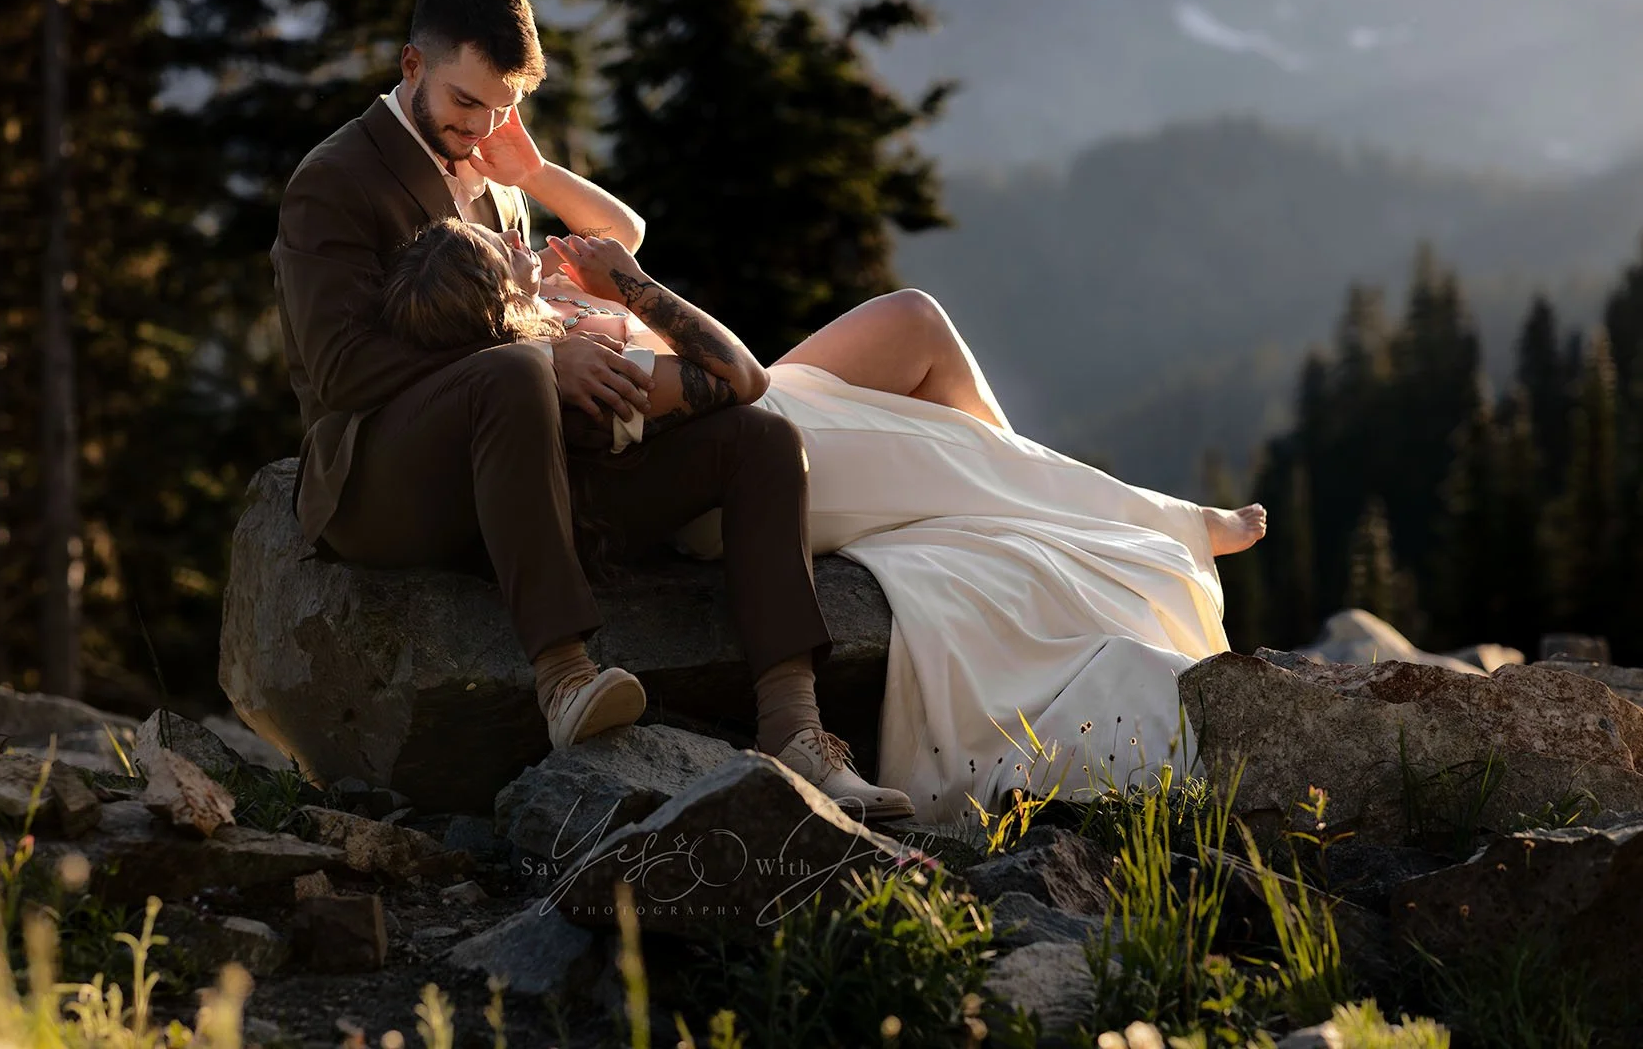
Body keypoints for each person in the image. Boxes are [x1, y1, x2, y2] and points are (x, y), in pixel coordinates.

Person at [271, 0, 916, 819]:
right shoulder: (334, 178)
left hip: (526, 468)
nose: (484, 126)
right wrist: (540, 357)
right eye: (468, 103)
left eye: (505, 107)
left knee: (760, 441)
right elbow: (340, 367)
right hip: (389, 482)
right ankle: (565, 676)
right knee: (512, 369)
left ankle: (795, 731)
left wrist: (572, 354)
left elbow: (603, 254)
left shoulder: (496, 176)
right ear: (412, 66)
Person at [380, 225, 1270, 824]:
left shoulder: (542, 335)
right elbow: (738, 378)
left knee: (920, 333)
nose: (520, 234)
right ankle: (1173, 527)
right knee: (957, 453)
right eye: (505, 247)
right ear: (505, 304)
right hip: (737, 449)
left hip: (741, 408)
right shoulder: (580, 374)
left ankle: (1121, 511)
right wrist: (631, 288)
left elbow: (608, 222)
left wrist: (530, 169)